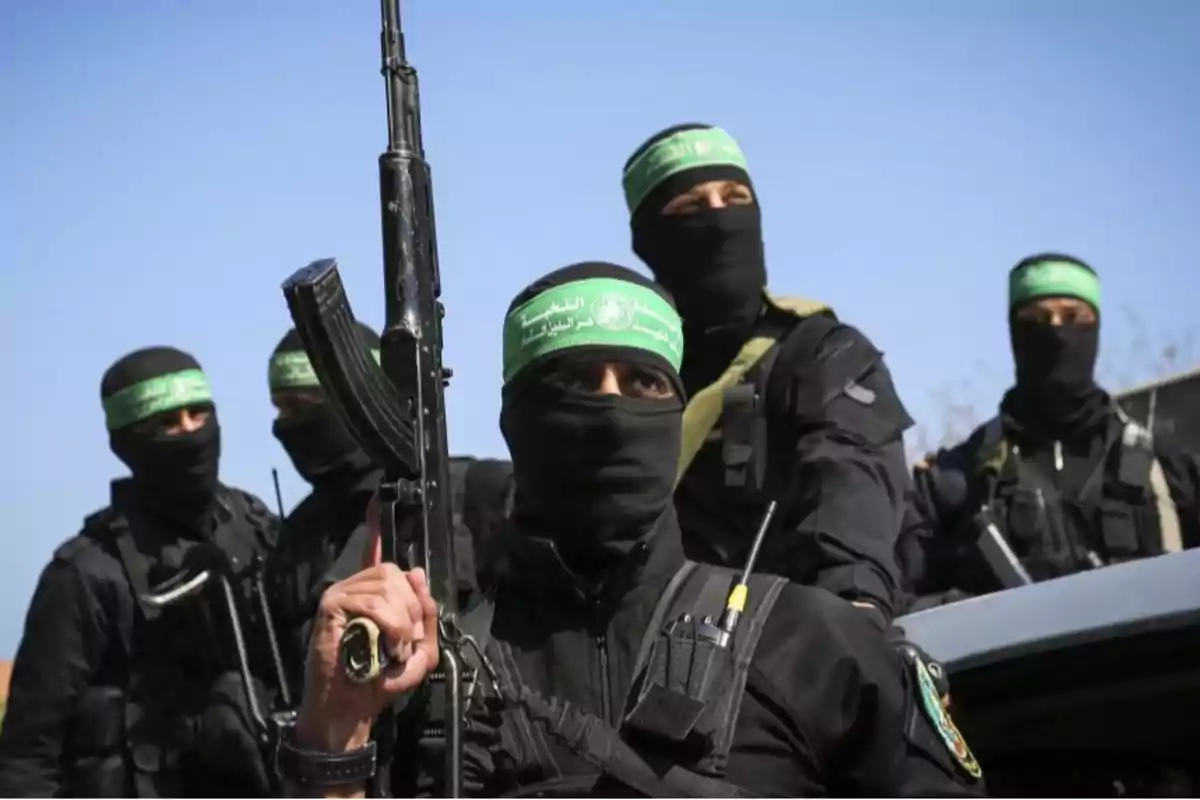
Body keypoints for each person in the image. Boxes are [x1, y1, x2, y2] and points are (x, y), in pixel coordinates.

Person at [275, 263, 986, 798]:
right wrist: (336, 730)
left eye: (642, 384)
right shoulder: (428, 681)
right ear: (514, 420)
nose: (611, 408)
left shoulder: (813, 644)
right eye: (576, 383)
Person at [622, 123, 914, 622]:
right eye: (691, 207)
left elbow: (849, 485)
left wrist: (853, 612)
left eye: (734, 197)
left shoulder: (822, 354)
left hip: (791, 649)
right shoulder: (629, 379)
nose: (718, 217)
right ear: (651, 240)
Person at [0, 346, 282, 797]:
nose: (190, 434)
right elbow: (29, 757)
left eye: (200, 414)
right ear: (126, 443)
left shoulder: (259, 532)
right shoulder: (84, 575)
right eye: (167, 424)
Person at [898, 254, 1200, 607]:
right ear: (1014, 333)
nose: (1056, 331)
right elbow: (900, 607)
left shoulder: (1169, 473)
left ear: (1096, 327)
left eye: (1073, 317)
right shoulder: (951, 483)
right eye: (1036, 320)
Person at [264, 324, 384, 697]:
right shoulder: (295, 537)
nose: (288, 425)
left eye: (302, 407)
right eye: (282, 409)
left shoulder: (466, 496)